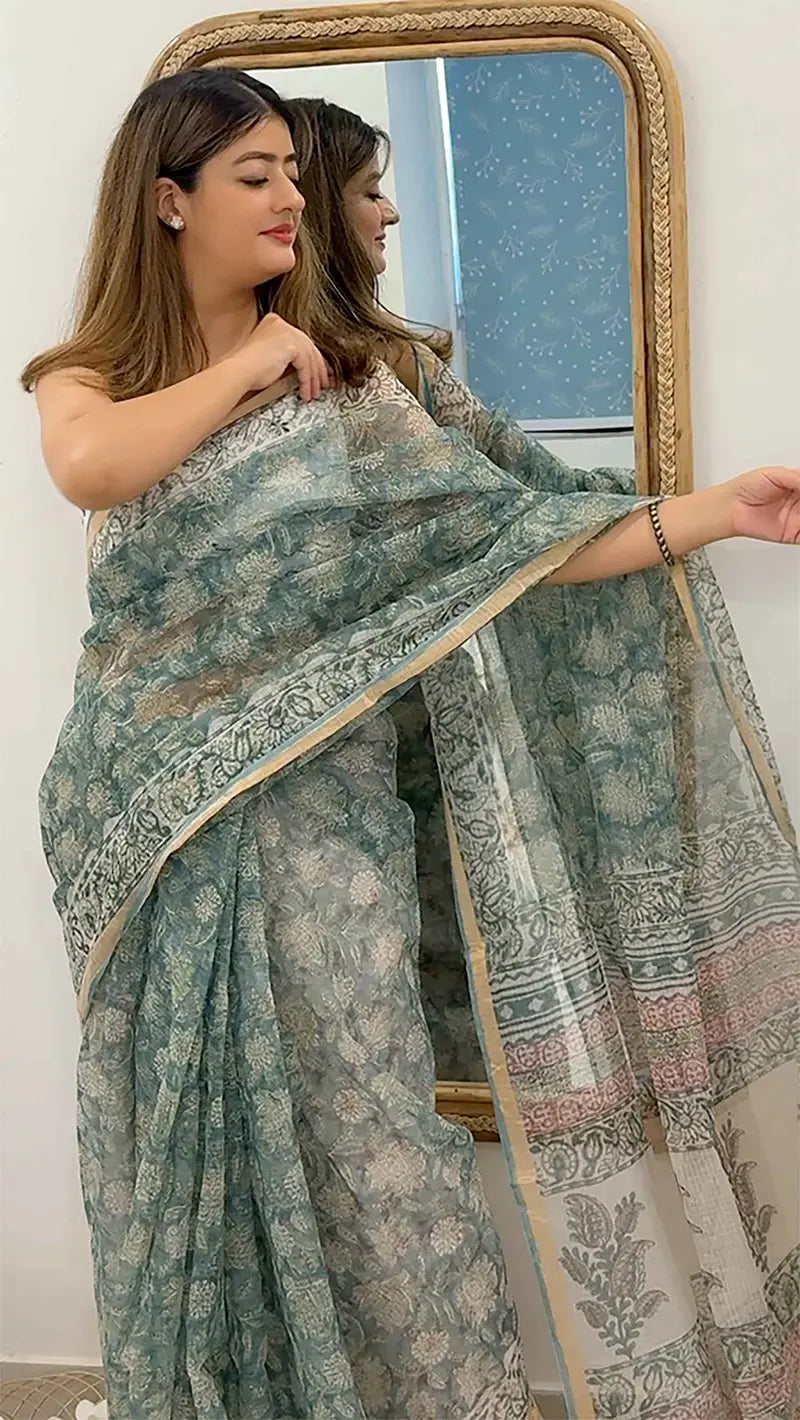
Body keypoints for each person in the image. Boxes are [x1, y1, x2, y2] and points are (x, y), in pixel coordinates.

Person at [23, 67, 800, 1420]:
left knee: (382, 1133)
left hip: (326, 809)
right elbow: (91, 468)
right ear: (168, 201)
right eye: (251, 175)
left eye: (289, 172)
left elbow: (518, 540)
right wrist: (255, 361)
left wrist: (714, 513)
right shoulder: (94, 376)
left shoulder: (372, 387)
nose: (286, 198)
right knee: (185, 1144)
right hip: (142, 819)